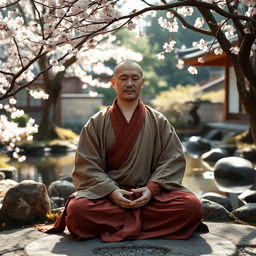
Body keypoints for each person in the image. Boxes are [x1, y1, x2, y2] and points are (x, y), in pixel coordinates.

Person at [43, 59, 208, 241]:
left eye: (135, 78)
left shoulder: (159, 121)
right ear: (113, 83)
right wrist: (112, 191)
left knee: (191, 207)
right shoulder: (96, 123)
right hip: (106, 195)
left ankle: (118, 225)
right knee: (77, 212)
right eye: (123, 78)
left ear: (142, 82)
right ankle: (148, 227)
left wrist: (151, 189)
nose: (129, 83)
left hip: (150, 196)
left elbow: (172, 160)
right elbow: (87, 166)